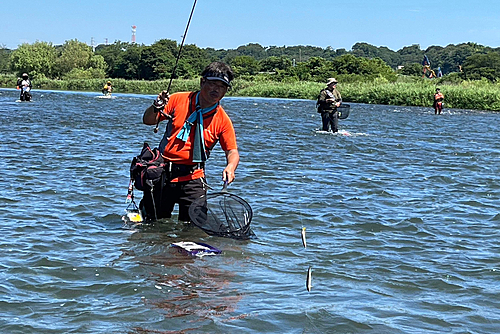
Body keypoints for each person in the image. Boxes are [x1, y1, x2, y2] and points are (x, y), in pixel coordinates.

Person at [140, 61, 239, 222]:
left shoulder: (223, 120)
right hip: (163, 173)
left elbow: (232, 151)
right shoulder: (178, 99)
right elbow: (148, 120)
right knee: (154, 224)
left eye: (222, 87)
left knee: (195, 230)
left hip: (193, 177)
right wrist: (156, 106)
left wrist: (230, 166)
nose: (216, 90)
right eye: (212, 84)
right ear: (202, 82)